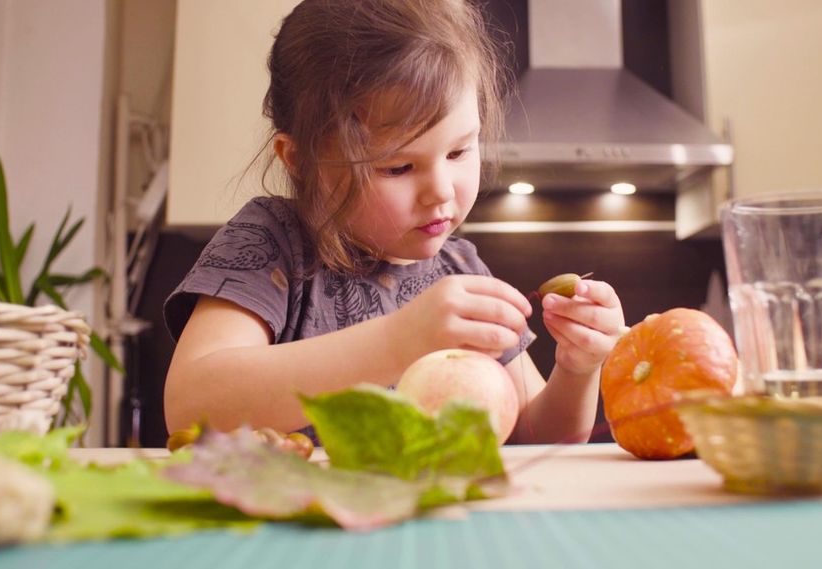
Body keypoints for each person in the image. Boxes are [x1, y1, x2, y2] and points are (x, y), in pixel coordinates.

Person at [163, 0, 626, 444]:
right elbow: (191, 405)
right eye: (397, 167)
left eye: (459, 150)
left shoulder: (458, 269)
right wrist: (397, 342)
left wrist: (578, 369)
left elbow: (533, 435)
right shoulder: (270, 242)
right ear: (300, 161)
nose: (442, 190)